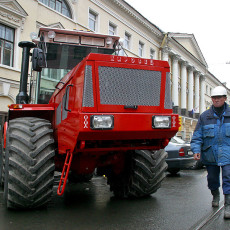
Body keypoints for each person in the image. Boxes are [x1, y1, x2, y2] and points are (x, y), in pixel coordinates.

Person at [191, 86, 230, 219]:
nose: (216, 100)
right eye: (214, 98)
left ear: (225, 98)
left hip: (228, 153)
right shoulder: (204, 116)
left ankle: (228, 205)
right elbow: (197, 135)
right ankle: (216, 196)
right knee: (212, 178)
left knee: (228, 178)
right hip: (210, 154)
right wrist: (196, 150)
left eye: (219, 97)